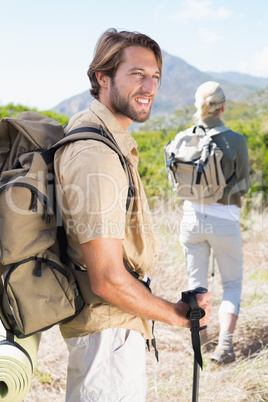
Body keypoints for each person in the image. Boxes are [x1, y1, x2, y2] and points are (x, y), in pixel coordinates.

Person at [54, 28, 211, 401]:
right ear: (102, 78)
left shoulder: (100, 140)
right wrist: (175, 314)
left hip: (110, 332)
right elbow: (107, 279)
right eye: (136, 74)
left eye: (155, 75)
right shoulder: (97, 155)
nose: (149, 86)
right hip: (108, 338)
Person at [179, 81, 250, 364]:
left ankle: (201, 342)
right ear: (223, 107)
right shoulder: (236, 140)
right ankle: (225, 348)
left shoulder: (182, 137)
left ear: (199, 105)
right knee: (231, 283)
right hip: (224, 219)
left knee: (197, 285)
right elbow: (243, 185)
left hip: (191, 219)